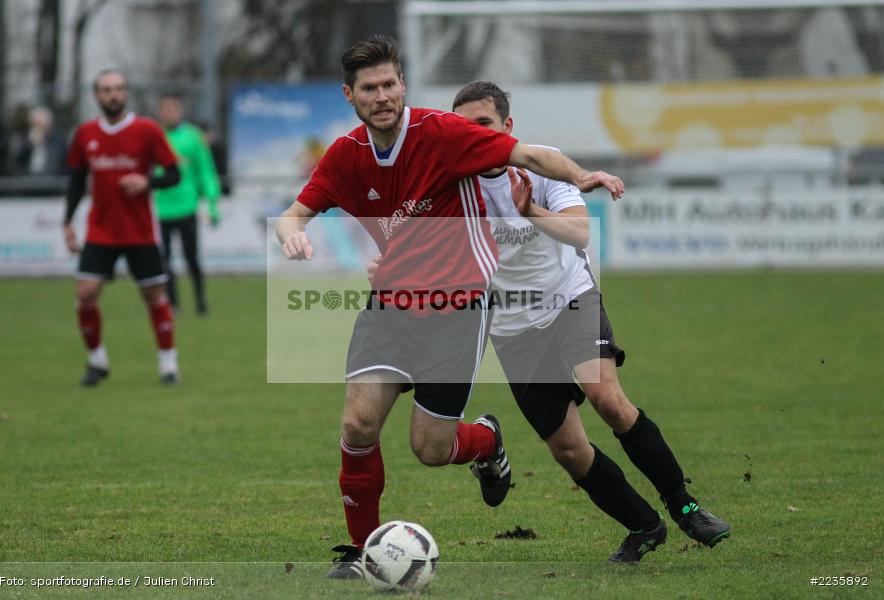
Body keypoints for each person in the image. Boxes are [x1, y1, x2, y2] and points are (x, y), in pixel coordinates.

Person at [275, 35, 624, 579]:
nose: (383, 95)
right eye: (370, 88)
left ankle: (486, 440)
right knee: (358, 422)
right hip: (389, 307)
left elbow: (529, 153)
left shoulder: (439, 133)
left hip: (458, 309)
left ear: (403, 85)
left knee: (431, 448)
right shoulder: (346, 156)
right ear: (351, 95)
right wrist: (292, 234)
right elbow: (292, 213)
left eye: (390, 83)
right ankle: (361, 551)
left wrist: (580, 177)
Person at [449, 81, 732, 560]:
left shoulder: (540, 166)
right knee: (569, 450)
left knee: (607, 397)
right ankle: (645, 527)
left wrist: (531, 211)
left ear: (507, 127)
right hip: (513, 328)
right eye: (464, 128)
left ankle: (685, 507)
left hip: (569, 299)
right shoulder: (452, 181)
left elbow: (579, 230)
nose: (474, 136)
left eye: (484, 125)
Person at [64, 69, 182, 386]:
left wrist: (147, 181)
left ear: (125, 93)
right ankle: (97, 361)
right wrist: (67, 221)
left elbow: (174, 175)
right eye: (106, 89)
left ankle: (168, 365)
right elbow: (76, 181)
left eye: (118, 88)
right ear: (97, 95)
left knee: (153, 294)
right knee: (85, 293)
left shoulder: (146, 130)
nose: (113, 94)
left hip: (139, 230)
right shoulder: (85, 133)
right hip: (100, 230)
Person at [153, 93, 222, 314]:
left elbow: (206, 171)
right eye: (165, 109)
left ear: (180, 111)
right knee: (164, 262)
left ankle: (200, 301)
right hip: (161, 209)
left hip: (187, 207)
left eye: (173, 108)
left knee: (192, 258)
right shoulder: (153, 136)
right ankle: (173, 304)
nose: (169, 113)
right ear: (159, 112)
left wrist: (212, 202)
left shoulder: (194, 137)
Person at [14, 106, 67, 175]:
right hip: (27, 180)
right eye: (34, 124)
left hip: (52, 180)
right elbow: (17, 161)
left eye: (40, 123)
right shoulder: (24, 138)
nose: (37, 127)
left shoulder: (59, 140)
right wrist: (29, 144)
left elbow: (60, 163)